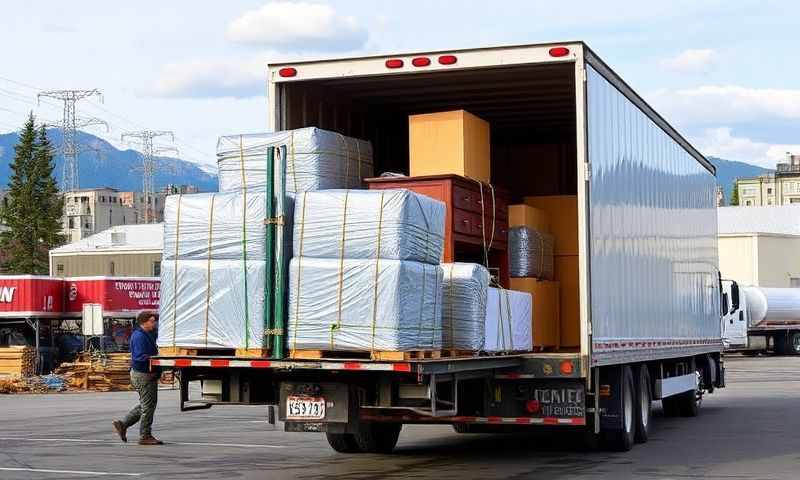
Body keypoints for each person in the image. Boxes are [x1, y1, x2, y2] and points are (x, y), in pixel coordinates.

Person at [113, 311, 163, 445]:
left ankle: (123, 424)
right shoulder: (139, 336)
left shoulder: (145, 334)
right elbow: (139, 357)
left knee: (147, 404)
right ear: (144, 322)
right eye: (152, 321)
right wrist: (157, 359)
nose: (154, 323)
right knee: (148, 406)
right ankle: (145, 436)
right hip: (143, 375)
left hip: (145, 374)